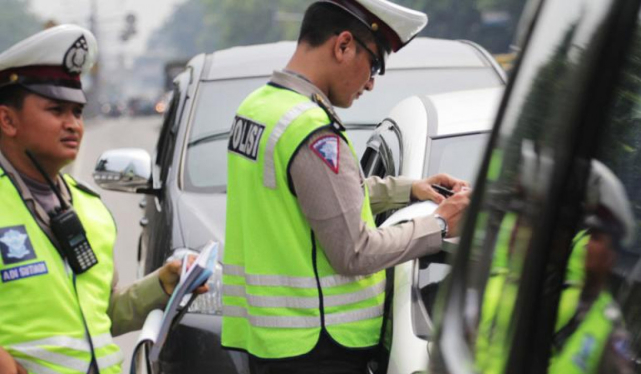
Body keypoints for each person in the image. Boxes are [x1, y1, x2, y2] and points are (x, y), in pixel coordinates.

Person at [221, 1, 472, 373]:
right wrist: (439, 225)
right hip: (320, 348)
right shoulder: (311, 130)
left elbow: (311, 201)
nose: (371, 83)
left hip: (271, 344)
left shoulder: (258, 108)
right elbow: (354, 252)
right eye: (374, 65)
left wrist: (409, 189)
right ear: (343, 46)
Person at [0, 25, 206, 374]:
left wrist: (161, 285)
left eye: (78, 112)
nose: (73, 125)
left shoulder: (90, 209)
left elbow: (102, 315)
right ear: (7, 119)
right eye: (56, 110)